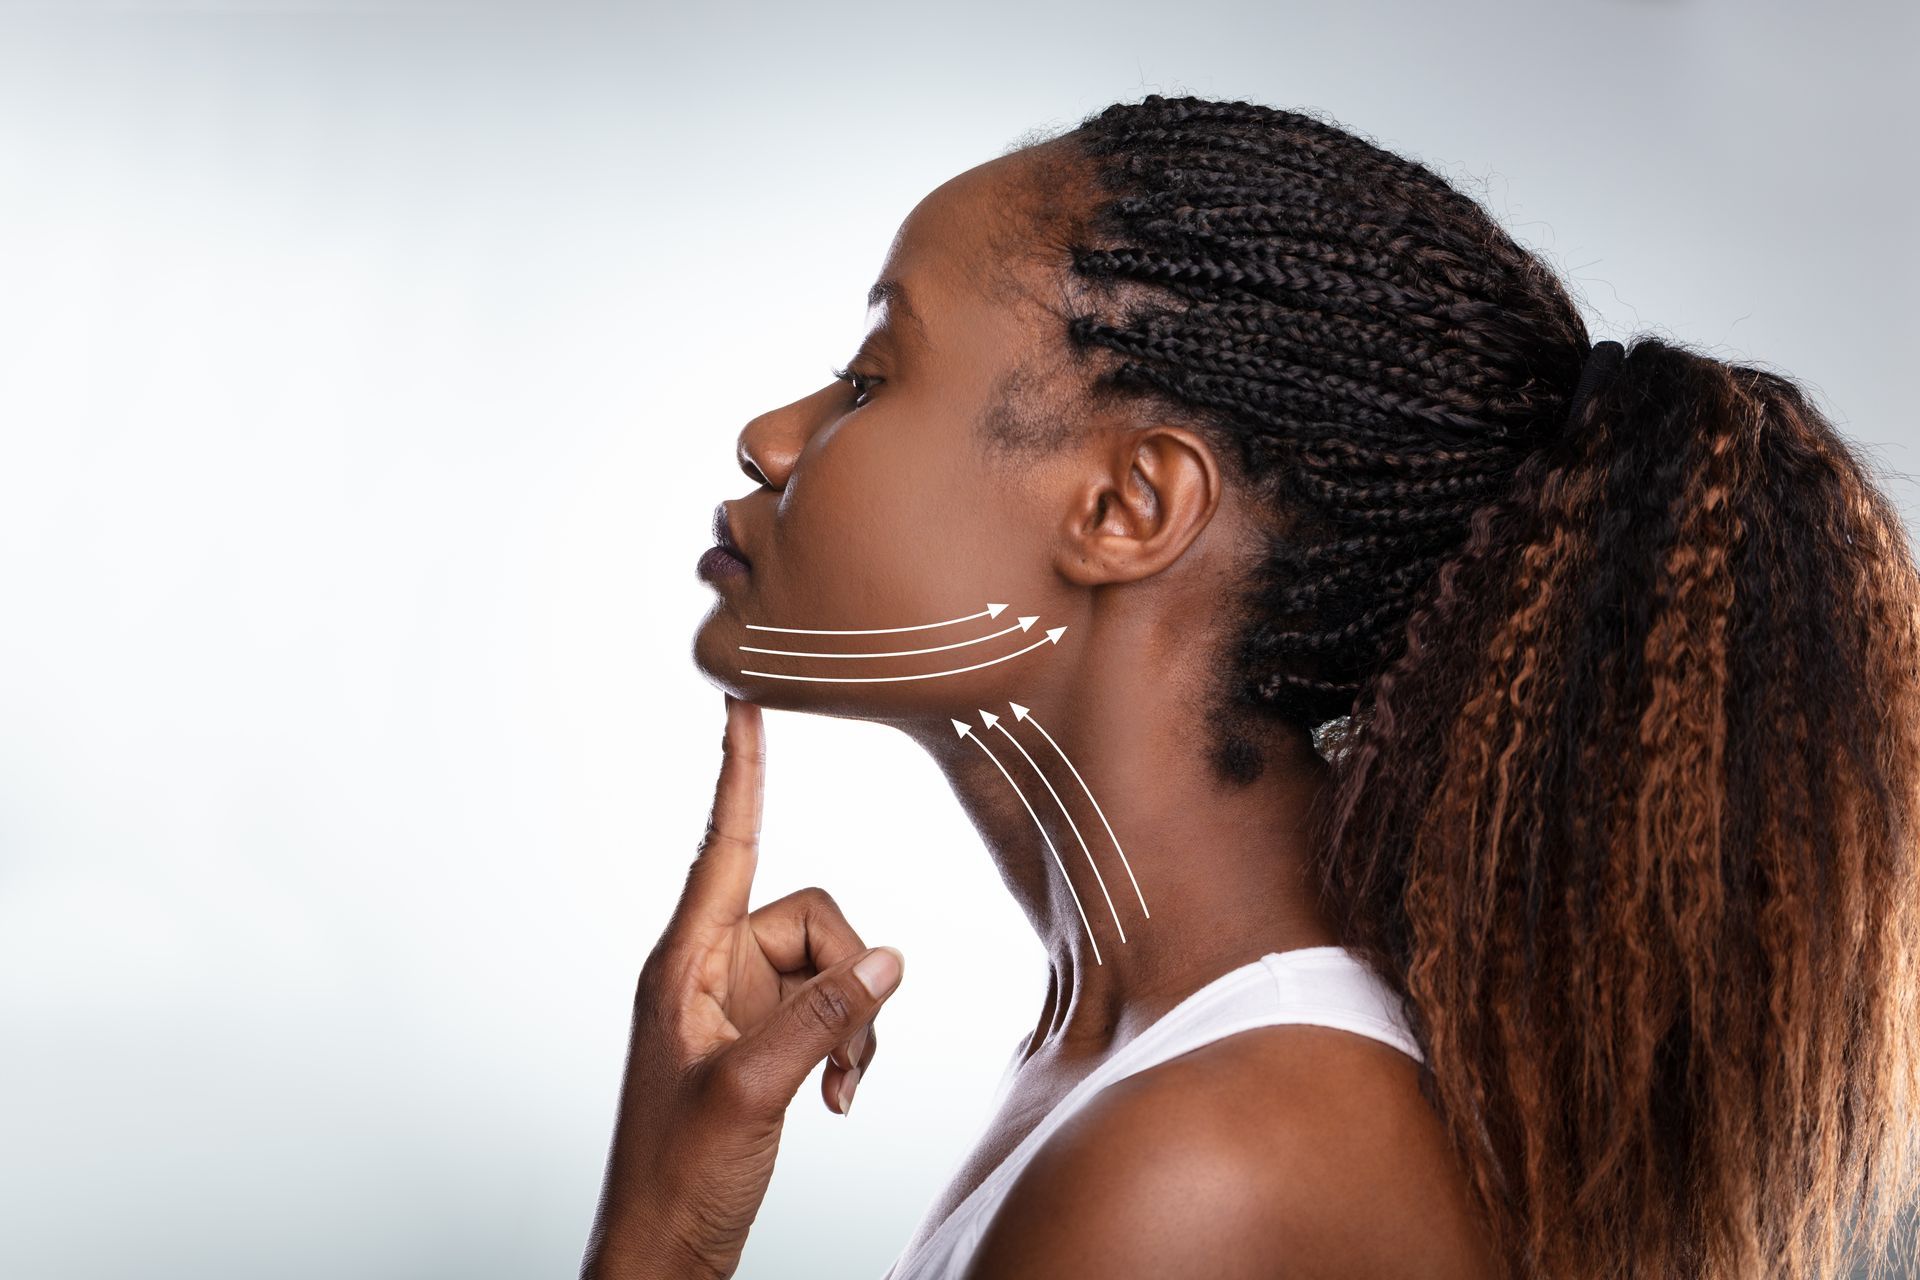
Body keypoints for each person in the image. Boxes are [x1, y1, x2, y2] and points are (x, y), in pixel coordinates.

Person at [580, 95, 1920, 1280]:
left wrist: (657, 1241)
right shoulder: (1144, 1067)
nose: (768, 441)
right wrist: (679, 1205)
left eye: (871, 380)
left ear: (1130, 507)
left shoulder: (1208, 1168)